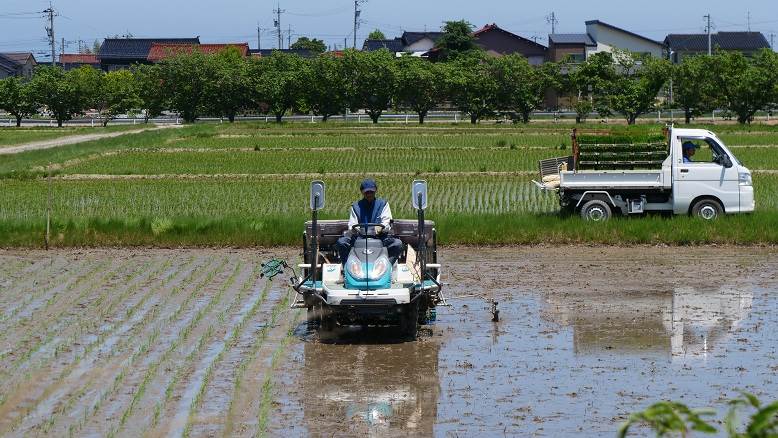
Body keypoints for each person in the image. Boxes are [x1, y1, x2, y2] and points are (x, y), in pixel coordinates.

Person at [336, 179, 403, 266]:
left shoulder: (383, 204)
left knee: (397, 244)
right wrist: (356, 230)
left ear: (375, 191)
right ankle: (347, 267)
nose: (369, 194)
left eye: (371, 192)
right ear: (362, 192)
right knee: (341, 242)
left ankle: (386, 267)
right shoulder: (356, 207)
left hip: (380, 238)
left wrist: (381, 228)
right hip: (360, 238)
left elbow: (387, 221)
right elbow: (352, 225)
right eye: (367, 192)